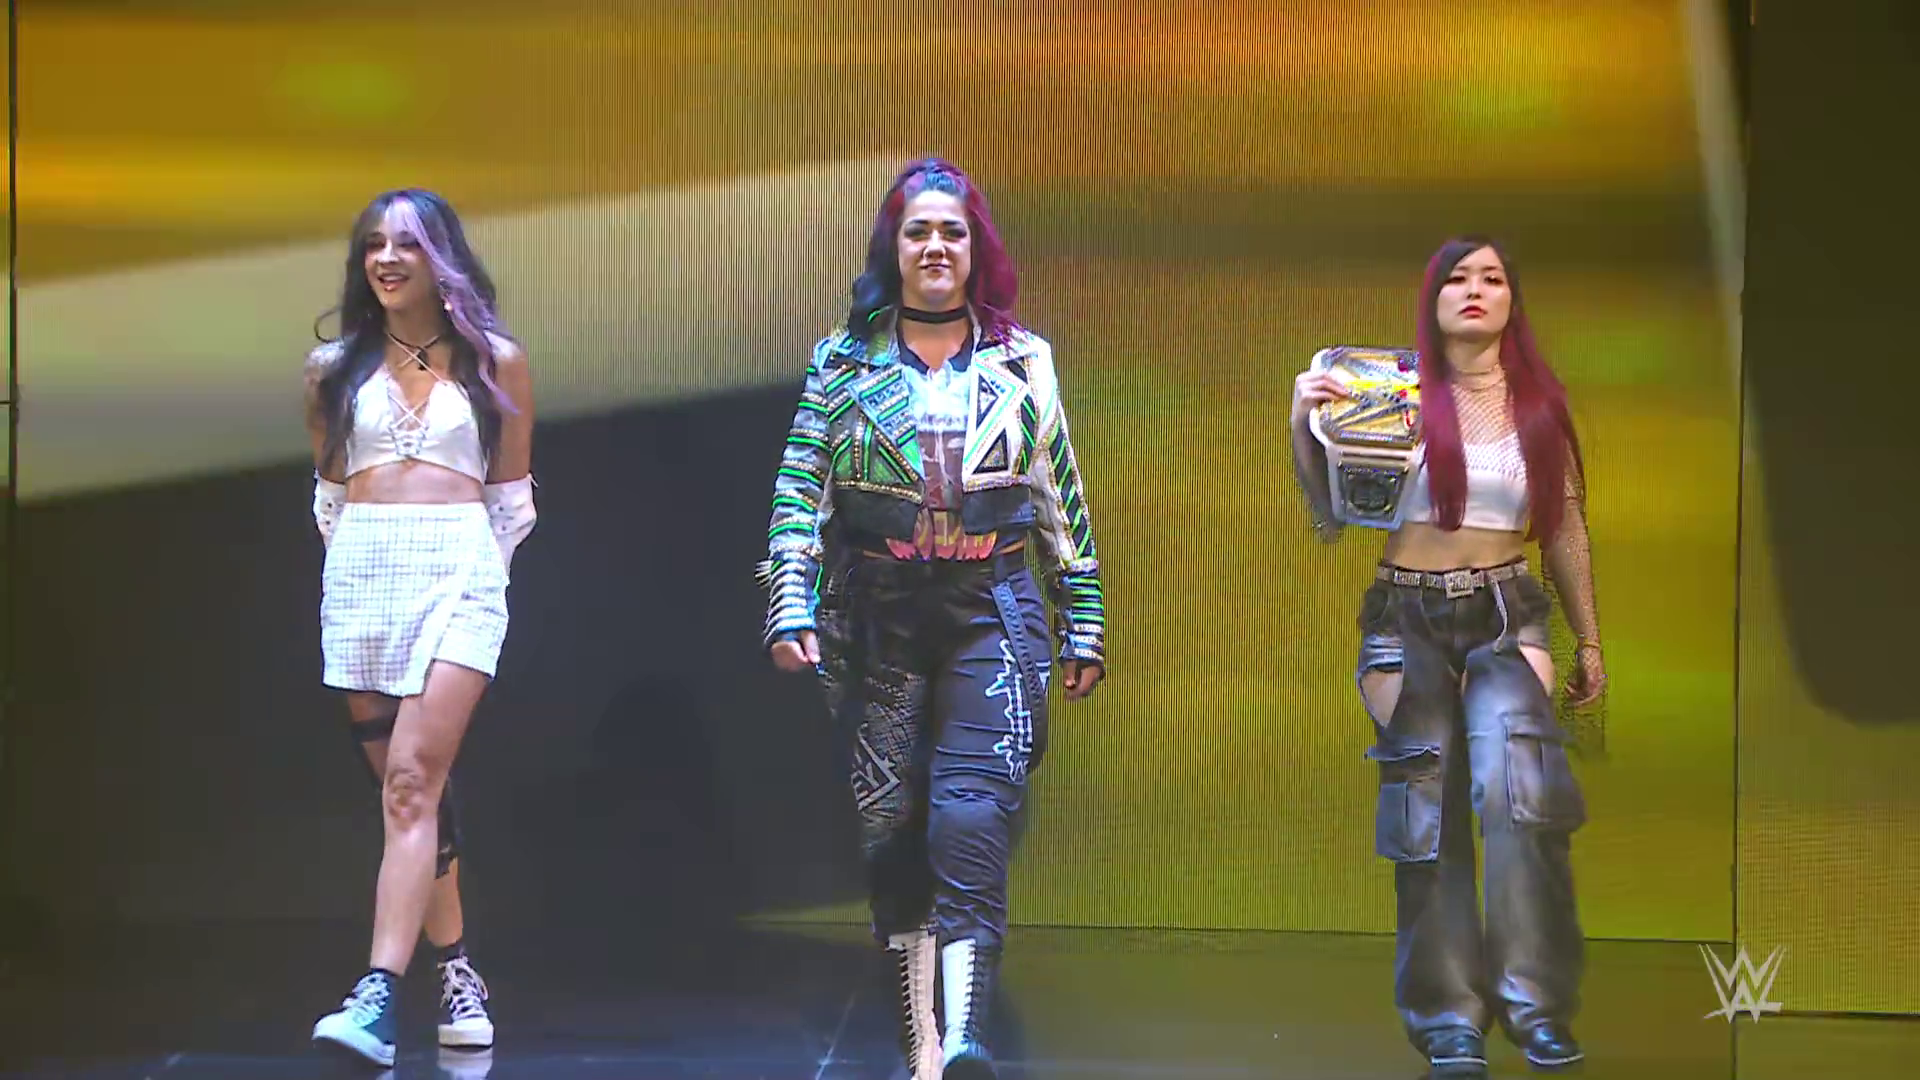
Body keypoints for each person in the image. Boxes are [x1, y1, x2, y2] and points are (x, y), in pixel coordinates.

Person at [757, 158, 1107, 1080]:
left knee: (971, 813)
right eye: (919, 231)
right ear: (895, 248)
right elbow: (801, 488)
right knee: (893, 829)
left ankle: (964, 1039)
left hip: (993, 603)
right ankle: (920, 1044)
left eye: (953, 230)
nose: (937, 246)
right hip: (879, 615)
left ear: (975, 247)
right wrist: (789, 598)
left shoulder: (1023, 359)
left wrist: (1083, 613)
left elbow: (1058, 491)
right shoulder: (843, 361)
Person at [1289, 237, 1605, 1078]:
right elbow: (1330, 517)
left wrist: (1590, 638)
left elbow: (1564, 527)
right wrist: (1303, 424)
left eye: (1492, 278)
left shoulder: (1539, 407)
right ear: (1432, 300)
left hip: (1506, 610)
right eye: (1458, 278)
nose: (1475, 290)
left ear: (1512, 301)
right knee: (1423, 819)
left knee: (1521, 802)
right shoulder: (1386, 395)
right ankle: (1448, 1021)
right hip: (1406, 614)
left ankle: (1536, 1008)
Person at [302, 188, 537, 1067]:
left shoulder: (495, 362)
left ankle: (373, 999)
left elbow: (510, 500)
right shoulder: (333, 368)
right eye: (373, 244)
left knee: (410, 782)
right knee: (413, 799)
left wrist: (481, 584)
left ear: (442, 257)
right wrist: (355, 572)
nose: (386, 259)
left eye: (405, 243)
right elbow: (330, 495)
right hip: (363, 578)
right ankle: (458, 970)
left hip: (460, 574)